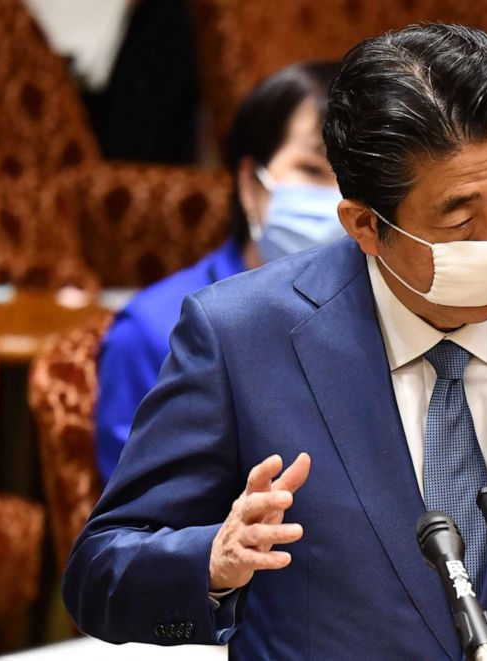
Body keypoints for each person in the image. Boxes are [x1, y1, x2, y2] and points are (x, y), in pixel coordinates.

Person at [65, 25, 487, 659]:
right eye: (458, 218)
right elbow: (100, 574)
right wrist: (210, 562)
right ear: (365, 225)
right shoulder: (241, 335)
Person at [94, 61, 343, 482]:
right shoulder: (154, 332)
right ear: (250, 183)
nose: (338, 201)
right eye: (313, 171)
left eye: (358, 182)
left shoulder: (382, 321)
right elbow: (135, 531)